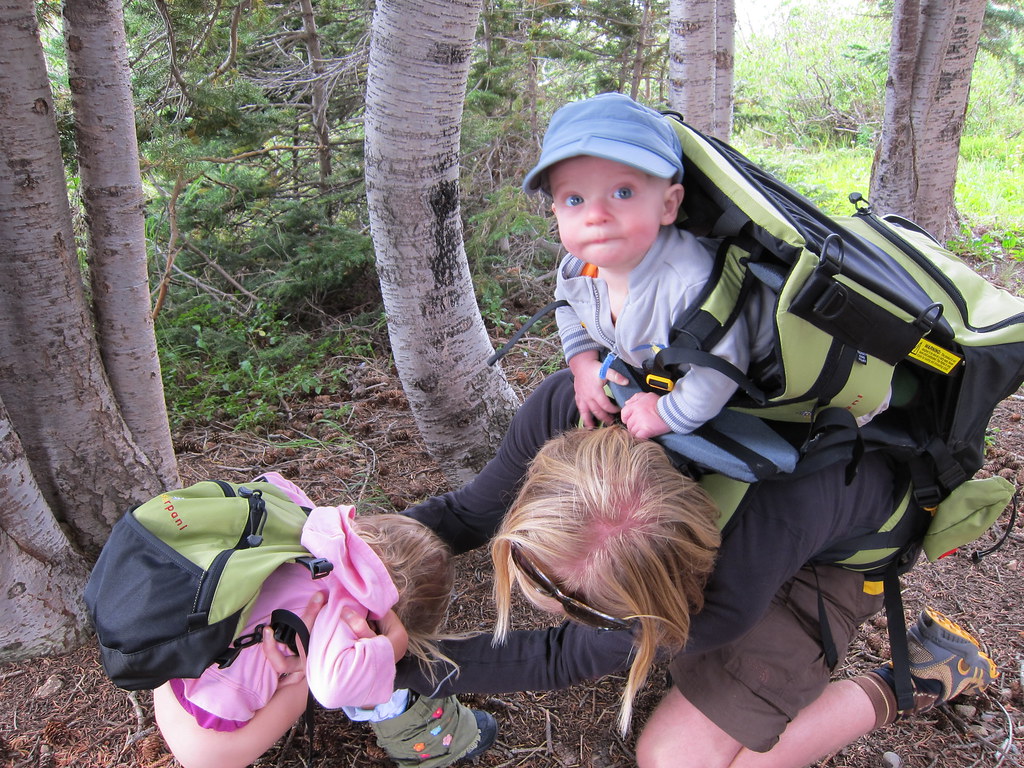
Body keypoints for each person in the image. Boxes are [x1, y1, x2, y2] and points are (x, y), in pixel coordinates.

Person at [396, 368, 998, 767]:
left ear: (665, 593)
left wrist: (396, 670)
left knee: (675, 759)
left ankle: (922, 676)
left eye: (596, 610)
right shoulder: (579, 403)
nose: (567, 614)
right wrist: (358, 566)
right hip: (785, 506)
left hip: (836, 555)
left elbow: (566, 655)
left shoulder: (732, 585)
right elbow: (465, 513)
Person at [153, 473, 496, 768]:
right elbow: (334, 689)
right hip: (207, 749)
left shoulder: (307, 526)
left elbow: (270, 481)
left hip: (163, 656)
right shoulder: (345, 610)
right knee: (339, 666)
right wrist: (388, 650)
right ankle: (431, 741)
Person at [522, 91, 774, 439]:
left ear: (668, 205)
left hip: (755, 371)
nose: (596, 215)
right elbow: (568, 306)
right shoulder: (579, 270)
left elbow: (724, 366)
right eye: (575, 199)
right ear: (556, 212)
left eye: (622, 192)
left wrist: (667, 413)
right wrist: (582, 364)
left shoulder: (688, 282)